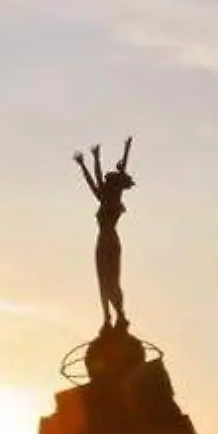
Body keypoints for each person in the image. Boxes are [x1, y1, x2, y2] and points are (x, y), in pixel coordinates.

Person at [73, 138, 135, 330]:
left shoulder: (112, 199)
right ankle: (109, 317)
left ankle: (116, 316)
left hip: (108, 240)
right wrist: (87, 163)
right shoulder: (107, 199)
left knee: (109, 280)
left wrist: (94, 159)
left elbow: (96, 180)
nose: (105, 182)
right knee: (105, 280)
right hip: (105, 240)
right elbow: (94, 181)